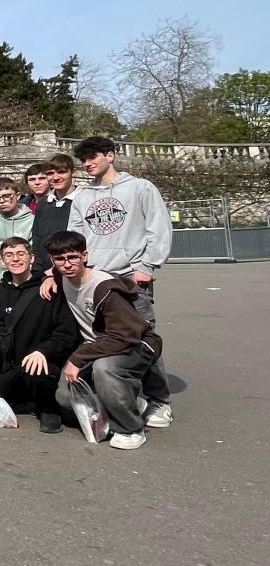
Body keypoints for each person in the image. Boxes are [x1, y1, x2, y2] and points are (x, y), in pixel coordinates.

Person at [66, 137, 173, 427]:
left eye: (93, 157)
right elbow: (74, 237)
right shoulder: (83, 197)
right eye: (84, 159)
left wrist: (147, 265)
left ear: (110, 156)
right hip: (96, 279)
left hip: (130, 276)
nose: (88, 163)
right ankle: (125, 395)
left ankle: (159, 400)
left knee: (143, 337)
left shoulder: (140, 188)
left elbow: (158, 227)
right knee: (101, 338)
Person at [47, 229, 164, 450]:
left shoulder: (105, 287)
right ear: (52, 260)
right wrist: (48, 278)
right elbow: (54, 271)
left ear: (84, 256)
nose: (67, 264)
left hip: (136, 343)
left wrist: (78, 358)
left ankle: (131, 429)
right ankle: (129, 402)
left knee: (104, 369)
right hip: (97, 345)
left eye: (72, 257)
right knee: (64, 396)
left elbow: (124, 335)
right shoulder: (61, 276)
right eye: (60, 259)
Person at [0, 236, 78, 432]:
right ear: (2, 261)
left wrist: (44, 351)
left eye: (21, 254)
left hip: (40, 364)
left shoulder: (50, 289)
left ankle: (48, 408)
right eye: (9, 255)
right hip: (8, 368)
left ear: (32, 258)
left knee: (38, 372)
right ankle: (28, 403)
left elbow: (66, 333)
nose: (15, 259)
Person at [32, 153, 76, 270]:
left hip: (72, 268)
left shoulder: (83, 199)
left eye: (61, 172)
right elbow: (37, 240)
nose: (56, 177)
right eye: (50, 173)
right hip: (46, 270)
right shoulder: (43, 204)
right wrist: (38, 268)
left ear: (72, 172)